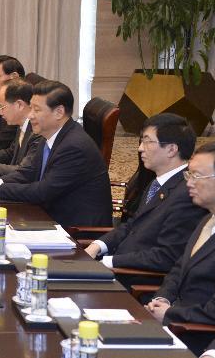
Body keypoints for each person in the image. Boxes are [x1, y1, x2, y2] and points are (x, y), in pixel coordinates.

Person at [145, 143, 215, 355]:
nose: (188, 182)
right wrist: (162, 299)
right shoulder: (210, 217)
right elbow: (179, 268)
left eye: (196, 176)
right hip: (173, 325)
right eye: (188, 174)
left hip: (200, 336)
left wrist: (171, 314)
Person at [84, 114, 206, 285]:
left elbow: (166, 255)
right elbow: (132, 225)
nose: (140, 148)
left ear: (172, 149)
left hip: (135, 282)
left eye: (148, 142)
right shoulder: (157, 183)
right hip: (119, 268)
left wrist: (109, 262)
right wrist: (97, 245)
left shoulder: (187, 193)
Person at [0, 80, 112, 228]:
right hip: (49, 214)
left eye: (37, 110)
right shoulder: (50, 134)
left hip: (75, 229)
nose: (30, 116)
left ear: (59, 112)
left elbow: (43, 191)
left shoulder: (74, 146)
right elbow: (29, 172)